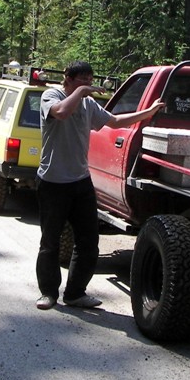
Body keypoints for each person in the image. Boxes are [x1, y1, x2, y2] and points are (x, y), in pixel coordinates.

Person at [35, 61, 164, 310]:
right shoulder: (52, 95)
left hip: (80, 181)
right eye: (82, 78)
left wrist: (148, 112)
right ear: (68, 78)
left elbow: (114, 121)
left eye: (89, 79)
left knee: (88, 242)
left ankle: (75, 294)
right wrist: (81, 92)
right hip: (52, 181)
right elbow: (61, 113)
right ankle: (48, 293)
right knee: (50, 242)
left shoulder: (88, 103)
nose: (87, 83)